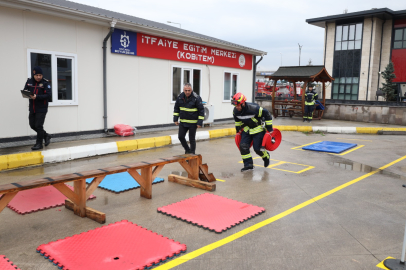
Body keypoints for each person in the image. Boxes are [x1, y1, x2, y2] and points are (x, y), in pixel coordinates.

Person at [232, 92, 273, 172]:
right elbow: (237, 121)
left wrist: (270, 128)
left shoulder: (254, 108)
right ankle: (248, 165)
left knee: (257, 149)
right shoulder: (235, 111)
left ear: (243, 103)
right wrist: (238, 130)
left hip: (258, 129)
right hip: (247, 129)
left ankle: (266, 157)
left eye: (238, 105)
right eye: (235, 105)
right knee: (243, 146)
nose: (236, 107)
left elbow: (267, 114)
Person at [23, 66, 52, 150]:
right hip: (32, 107)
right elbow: (25, 91)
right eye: (37, 75)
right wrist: (27, 94)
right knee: (32, 125)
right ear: (34, 74)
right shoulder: (29, 81)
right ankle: (46, 135)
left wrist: (37, 96)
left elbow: (48, 95)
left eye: (40, 75)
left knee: (38, 125)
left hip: (42, 108)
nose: (39, 77)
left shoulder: (45, 83)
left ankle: (39, 144)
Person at [173, 82, 204, 154]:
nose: (187, 92)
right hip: (183, 122)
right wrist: (175, 119)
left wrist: (199, 122)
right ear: (183, 90)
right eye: (185, 90)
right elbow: (176, 108)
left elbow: (201, 110)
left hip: (193, 123)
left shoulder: (197, 98)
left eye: (189, 90)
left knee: (191, 139)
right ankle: (187, 150)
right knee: (180, 137)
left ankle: (192, 154)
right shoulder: (180, 97)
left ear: (191, 90)